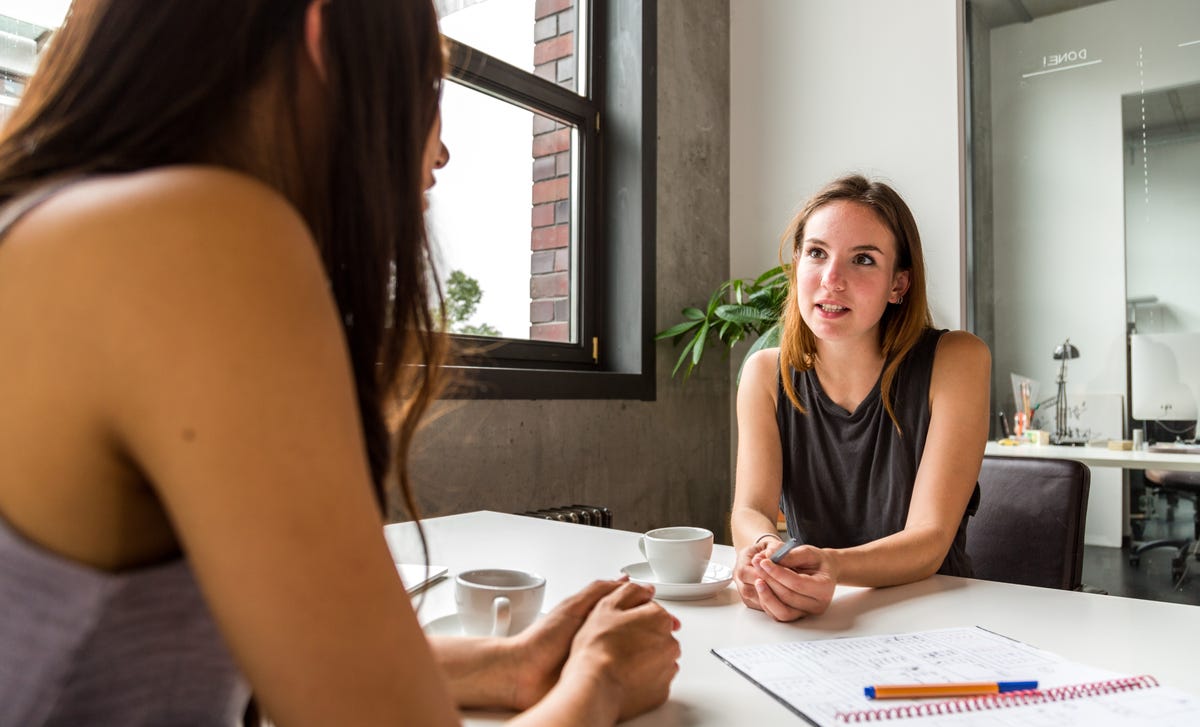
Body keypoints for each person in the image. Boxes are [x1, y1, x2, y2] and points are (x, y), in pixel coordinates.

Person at [0, 2, 679, 725]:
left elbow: (248, 658)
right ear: (327, 35)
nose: (441, 150)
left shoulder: (53, 226)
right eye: (429, 84)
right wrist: (599, 681)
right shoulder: (196, 239)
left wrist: (508, 663)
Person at [730, 174, 990, 622]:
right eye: (816, 253)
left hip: (935, 615)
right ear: (797, 264)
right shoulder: (764, 374)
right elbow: (750, 509)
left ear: (899, 285)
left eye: (863, 260)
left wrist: (831, 566)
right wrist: (765, 552)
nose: (831, 280)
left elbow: (929, 539)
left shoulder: (957, 360)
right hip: (817, 619)